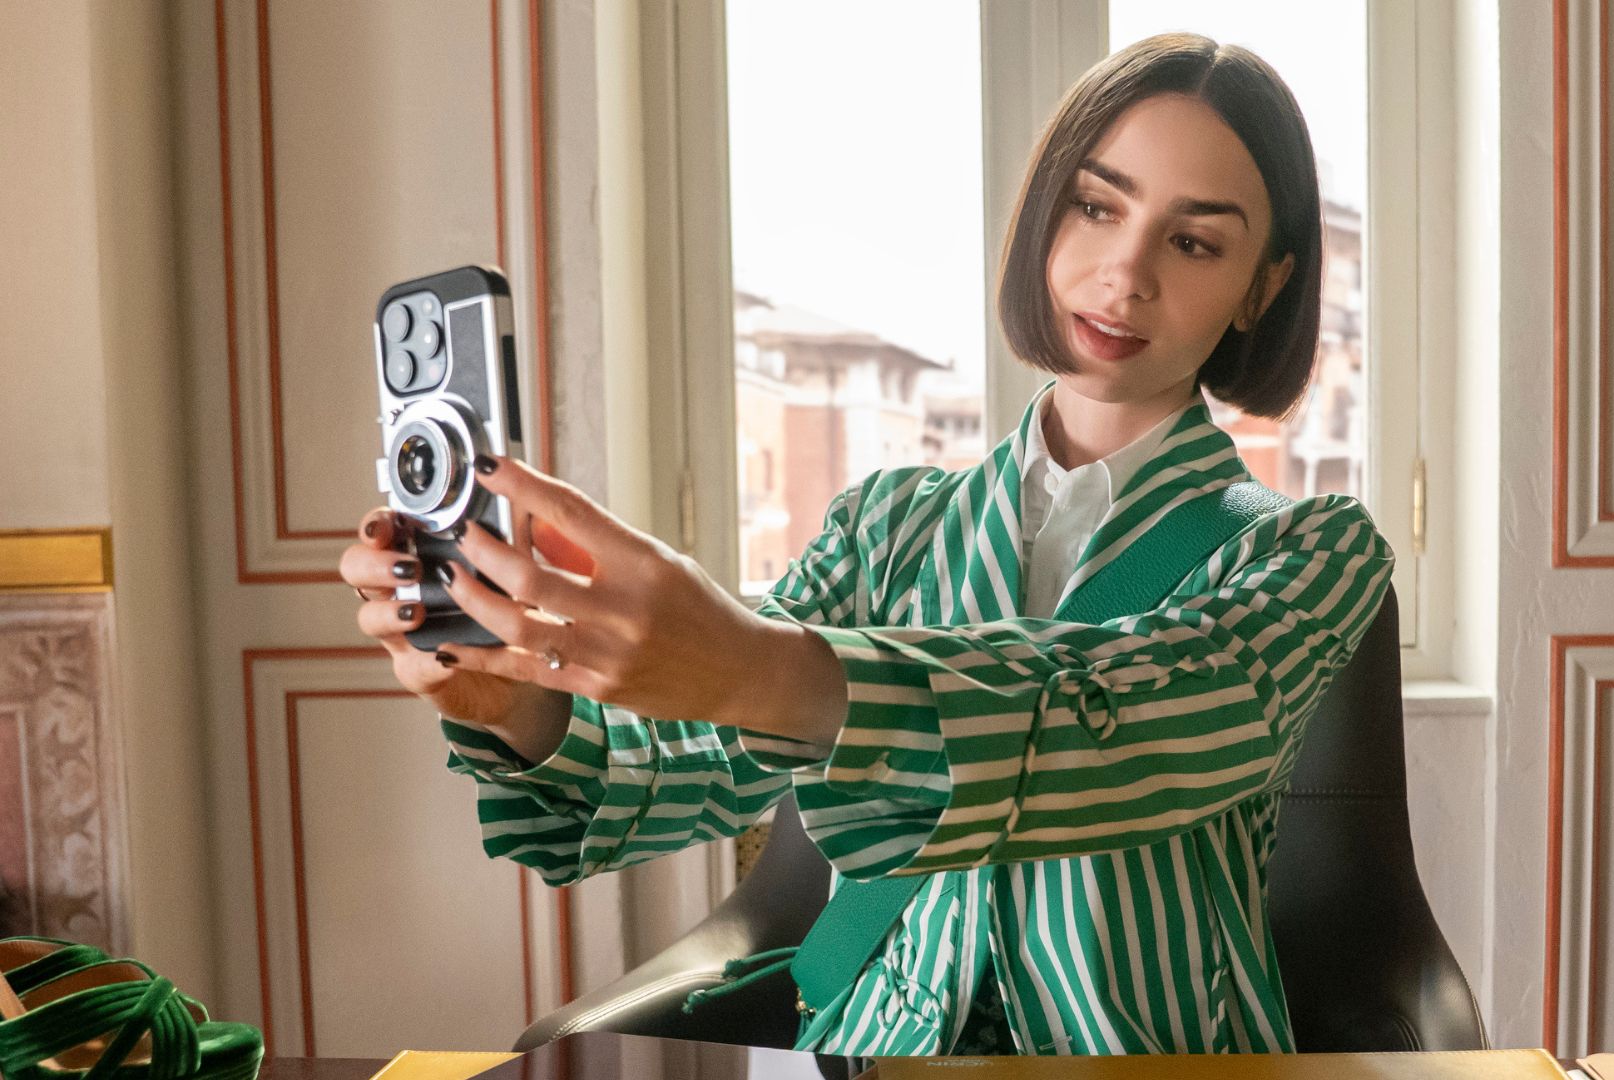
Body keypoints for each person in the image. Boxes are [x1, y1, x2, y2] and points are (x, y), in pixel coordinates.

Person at [340, 32, 1394, 1057]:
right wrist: (518, 703)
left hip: (1156, 1057)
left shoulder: (1309, 553)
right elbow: (692, 769)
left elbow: (1126, 725)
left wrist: (764, 667)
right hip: (875, 1050)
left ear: (1265, 285)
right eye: (1096, 204)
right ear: (1045, 213)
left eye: (1194, 240)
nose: (1125, 273)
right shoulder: (887, 528)